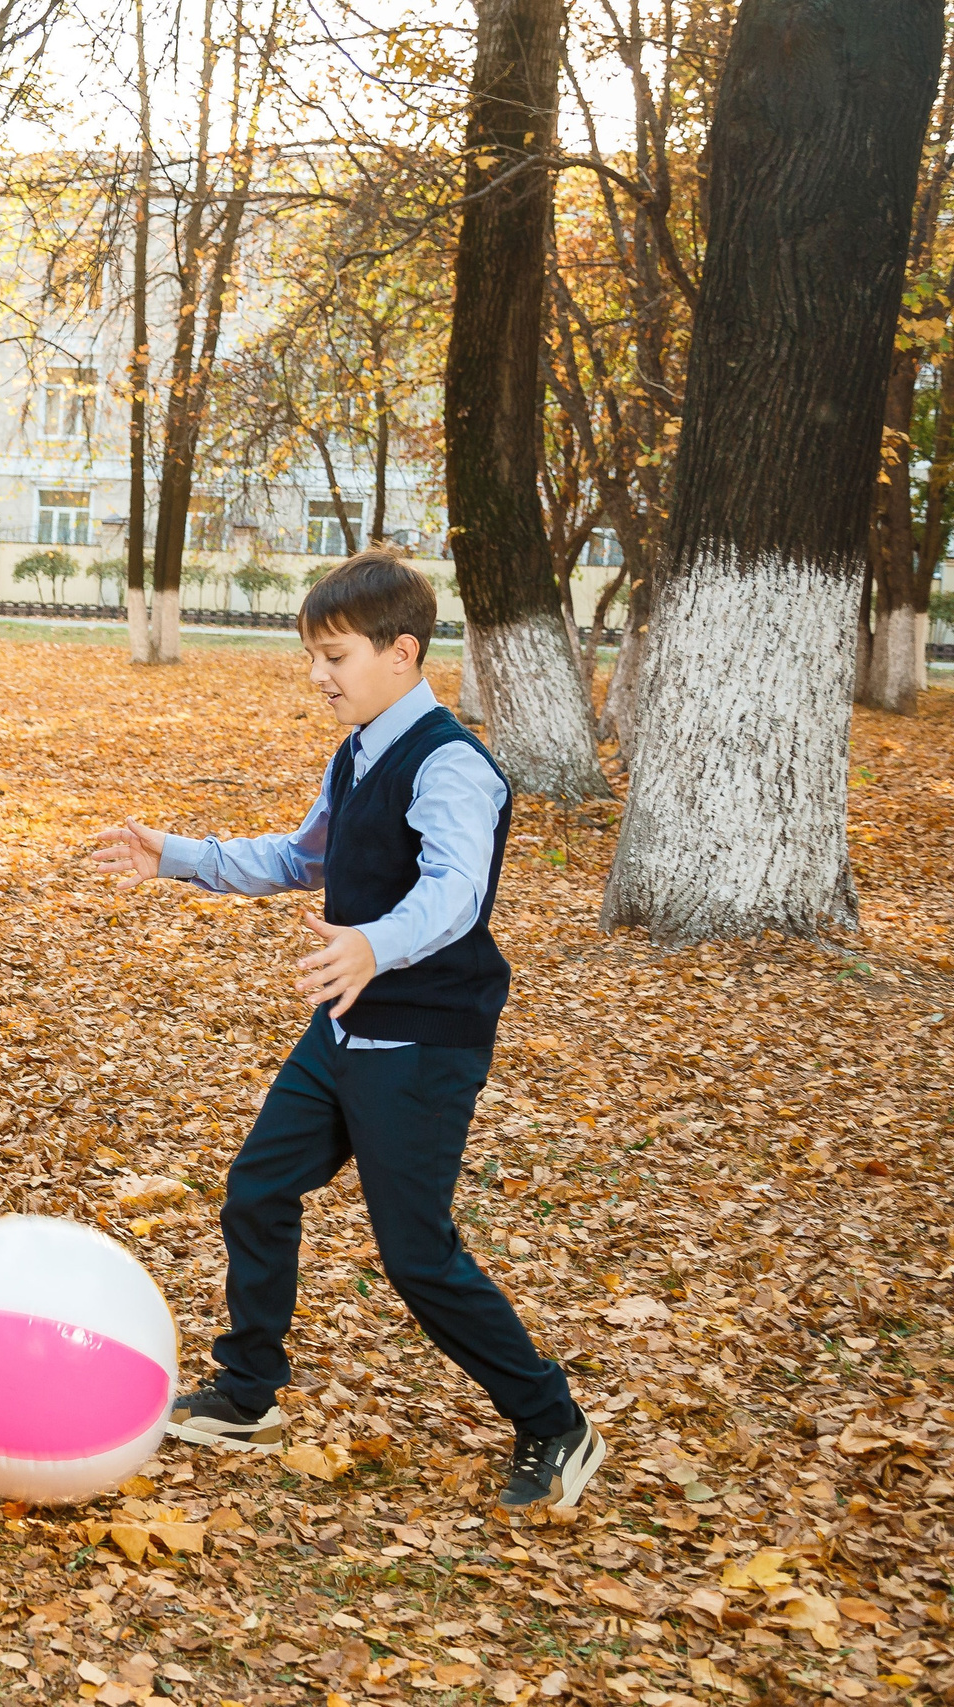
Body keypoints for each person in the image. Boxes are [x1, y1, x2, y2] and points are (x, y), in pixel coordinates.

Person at [89, 549, 604, 1511]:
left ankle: (554, 1421)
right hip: (345, 1027)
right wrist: (179, 855)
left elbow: (455, 892)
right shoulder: (360, 747)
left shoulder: (452, 762)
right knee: (259, 1186)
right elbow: (303, 855)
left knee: (416, 1256)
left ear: (402, 651)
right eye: (314, 657)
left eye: (334, 656)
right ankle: (248, 1394)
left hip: (423, 1040)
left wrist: (373, 945)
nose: (319, 676)